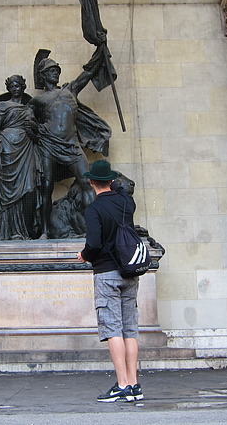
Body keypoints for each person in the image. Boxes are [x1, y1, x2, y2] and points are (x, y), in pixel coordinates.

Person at [77, 159, 142, 403]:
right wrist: (115, 185)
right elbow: (123, 190)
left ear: (91, 181)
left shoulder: (94, 209)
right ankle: (134, 384)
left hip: (106, 272)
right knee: (130, 330)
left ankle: (123, 384)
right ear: (111, 181)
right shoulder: (126, 202)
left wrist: (85, 256)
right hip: (129, 271)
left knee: (113, 329)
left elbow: (93, 243)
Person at [29, 53, 111, 238]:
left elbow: (88, 72)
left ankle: (94, 228)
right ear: (42, 76)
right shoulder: (37, 101)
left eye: (57, 70)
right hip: (48, 145)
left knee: (87, 183)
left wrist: (100, 50)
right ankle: (44, 231)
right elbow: (24, 119)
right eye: (51, 71)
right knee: (46, 186)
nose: (55, 73)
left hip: (72, 145)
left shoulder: (70, 90)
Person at [0, 75, 41, 240]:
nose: (15, 88)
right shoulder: (2, 106)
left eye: (18, 85)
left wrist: (32, 128)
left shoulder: (29, 109)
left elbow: (38, 135)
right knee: (8, 192)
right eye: (12, 86)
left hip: (26, 149)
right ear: (9, 88)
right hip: (7, 149)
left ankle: (25, 231)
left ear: (23, 87)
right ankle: (8, 232)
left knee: (29, 189)